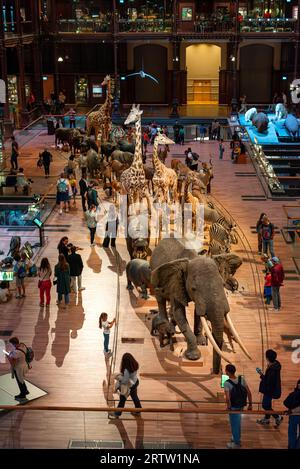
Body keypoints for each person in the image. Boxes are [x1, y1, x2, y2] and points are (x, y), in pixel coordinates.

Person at [224, 364, 252, 449]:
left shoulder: (227, 383)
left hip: (233, 407)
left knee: (234, 424)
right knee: (238, 422)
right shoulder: (241, 379)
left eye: (226, 371)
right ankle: (235, 437)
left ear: (228, 372)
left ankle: (237, 443)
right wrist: (250, 404)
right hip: (241, 405)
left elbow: (228, 398)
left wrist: (228, 407)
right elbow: (249, 393)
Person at [109, 353, 142, 419]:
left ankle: (117, 413)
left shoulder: (126, 370)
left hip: (129, 386)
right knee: (134, 397)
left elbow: (125, 381)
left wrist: (119, 378)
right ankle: (138, 411)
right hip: (135, 382)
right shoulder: (135, 364)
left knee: (122, 399)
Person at [257, 349, 283, 427]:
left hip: (269, 390)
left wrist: (261, 374)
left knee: (265, 405)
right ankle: (267, 419)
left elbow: (268, 382)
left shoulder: (272, 369)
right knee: (268, 405)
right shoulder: (275, 365)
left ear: (267, 358)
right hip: (272, 389)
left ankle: (278, 417)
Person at [283, 379, 300, 449]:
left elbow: (285, 402)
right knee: (292, 433)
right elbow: (286, 402)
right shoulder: (294, 393)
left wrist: (291, 410)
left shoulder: (294, 393)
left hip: (293, 415)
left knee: (292, 433)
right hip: (294, 415)